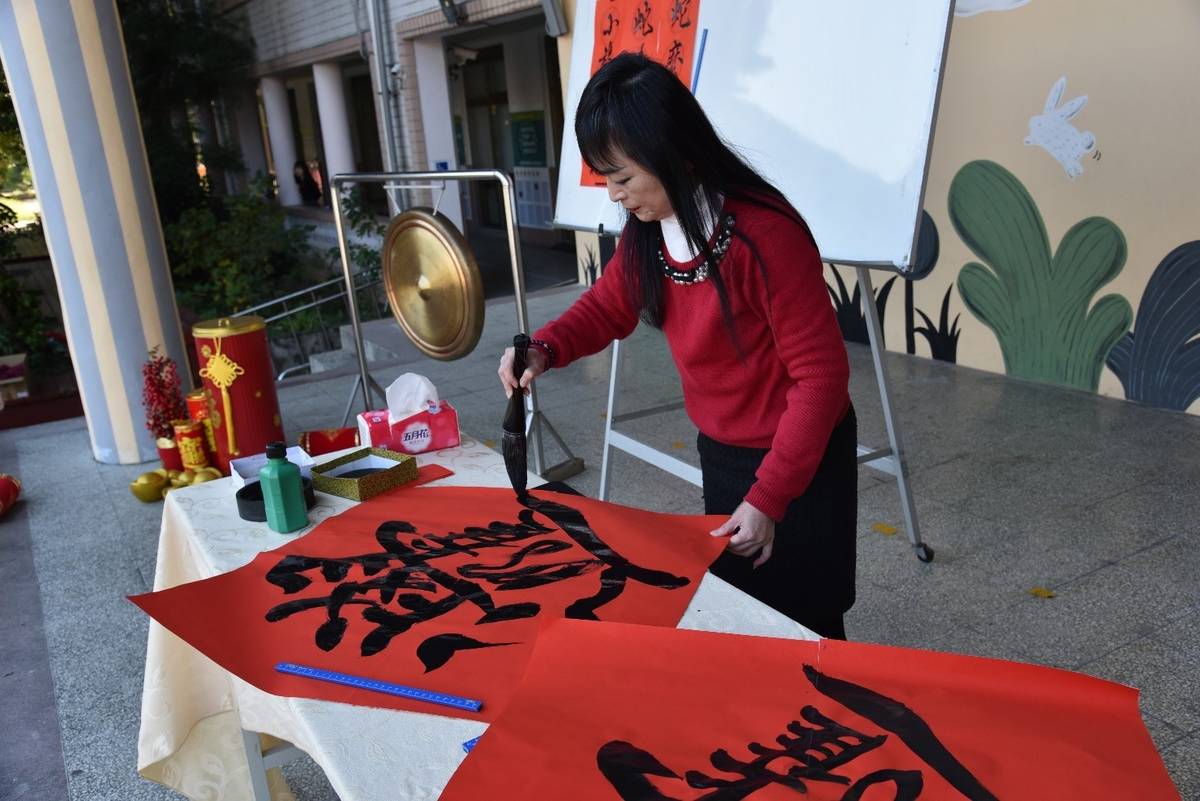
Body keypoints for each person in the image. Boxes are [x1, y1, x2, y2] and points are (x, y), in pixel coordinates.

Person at [497, 53, 856, 639]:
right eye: (605, 180)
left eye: (622, 178)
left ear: (675, 154)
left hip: (802, 454)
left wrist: (768, 498)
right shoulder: (647, 232)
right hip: (726, 449)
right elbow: (608, 305)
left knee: (810, 621)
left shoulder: (765, 235)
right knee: (748, 614)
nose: (615, 196)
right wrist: (544, 349)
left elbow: (820, 379)